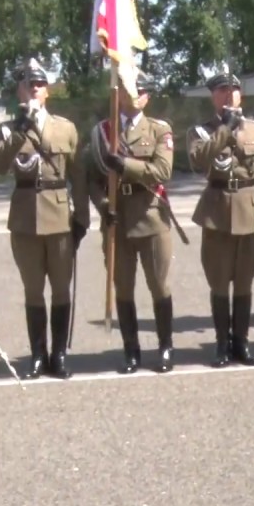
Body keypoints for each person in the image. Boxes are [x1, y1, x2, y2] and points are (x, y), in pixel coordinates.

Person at [0, 57, 90, 379]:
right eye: (29, 84)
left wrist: (83, 218)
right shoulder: (7, 129)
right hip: (25, 218)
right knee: (33, 290)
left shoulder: (65, 128)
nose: (35, 88)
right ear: (19, 91)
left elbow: (78, 175)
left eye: (40, 84)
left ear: (47, 91)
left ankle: (58, 355)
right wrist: (21, 129)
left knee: (61, 289)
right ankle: (37, 355)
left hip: (60, 217)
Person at [86, 72, 179, 374]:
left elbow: (162, 170)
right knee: (123, 287)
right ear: (119, 94)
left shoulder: (159, 130)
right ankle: (131, 350)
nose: (134, 96)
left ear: (147, 97)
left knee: (159, 286)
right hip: (117, 218)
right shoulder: (103, 132)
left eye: (140, 91)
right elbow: (92, 179)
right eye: (128, 90)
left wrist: (125, 164)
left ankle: (165, 347)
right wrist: (103, 205)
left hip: (150, 215)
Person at [187, 72, 254, 367]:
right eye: (222, 90)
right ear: (212, 96)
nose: (228, 95)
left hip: (250, 212)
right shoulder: (201, 131)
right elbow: (199, 160)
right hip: (217, 213)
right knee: (219, 282)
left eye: (234, 90)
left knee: (243, 282)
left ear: (242, 95)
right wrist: (225, 129)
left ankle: (241, 342)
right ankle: (221, 343)